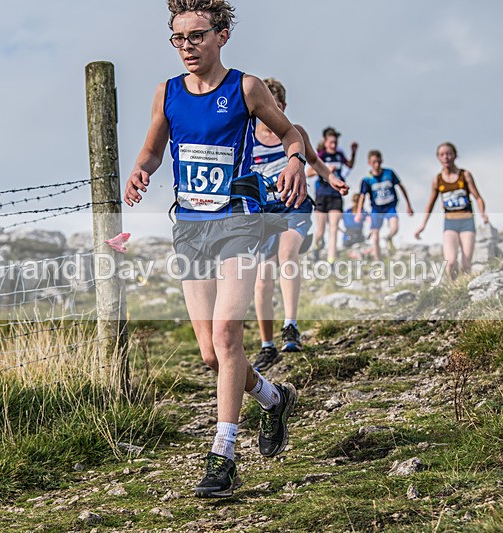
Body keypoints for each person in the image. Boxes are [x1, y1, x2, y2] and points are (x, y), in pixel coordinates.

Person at [124, 0, 305, 498]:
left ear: (221, 36)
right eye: (178, 38)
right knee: (211, 354)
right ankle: (273, 399)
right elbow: (153, 149)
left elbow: (290, 133)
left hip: (238, 222)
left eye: (197, 36)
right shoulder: (167, 92)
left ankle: (223, 456)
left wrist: (295, 161)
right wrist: (141, 169)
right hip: (190, 227)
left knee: (228, 336)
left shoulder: (246, 87)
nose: (187, 47)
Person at [251, 78, 348, 371]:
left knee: (287, 251)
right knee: (263, 280)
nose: (270, 114)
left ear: (284, 106)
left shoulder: (295, 133)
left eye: (276, 107)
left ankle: (290, 326)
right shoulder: (246, 135)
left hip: (295, 205)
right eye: (265, 108)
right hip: (264, 212)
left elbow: (315, 162)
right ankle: (267, 345)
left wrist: (332, 179)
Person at [414, 142, 489, 278]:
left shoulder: (465, 175)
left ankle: (465, 287)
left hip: (467, 221)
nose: (446, 157)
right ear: (438, 157)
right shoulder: (437, 180)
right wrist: (422, 225)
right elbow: (430, 204)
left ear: (455, 155)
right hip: (450, 223)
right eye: (442, 155)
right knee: (450, 262)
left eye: (449, 154)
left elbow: (478, 197)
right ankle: (452, 286)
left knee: (466, 263)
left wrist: (483, 214)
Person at [306, 127, 357, 263]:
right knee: (321, 230)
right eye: (331, 142)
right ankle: (316, 247)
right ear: (325, 142)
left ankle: (331, 260)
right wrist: (326, 170)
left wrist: (353, 152)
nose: (333, 145)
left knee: (334, 228)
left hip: (336, 195)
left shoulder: (339, 155)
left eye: (335, 142)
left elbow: (349, 165)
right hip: (322, 195)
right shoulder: (321, 155)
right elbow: (308, 173)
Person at [355, 150, 414, 260]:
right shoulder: (367, 179)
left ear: (381, 161)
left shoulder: (389, 173)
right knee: (375, 237)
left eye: (378, 162)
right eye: (374, 162)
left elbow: (401, 187)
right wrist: (359, 212)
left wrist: (408, 205)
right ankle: (378, 260)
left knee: (395, 227)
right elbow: (362, 196)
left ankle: (388, 238)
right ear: (369, 163)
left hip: (390, 207)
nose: (377, 165)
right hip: (376, 210)